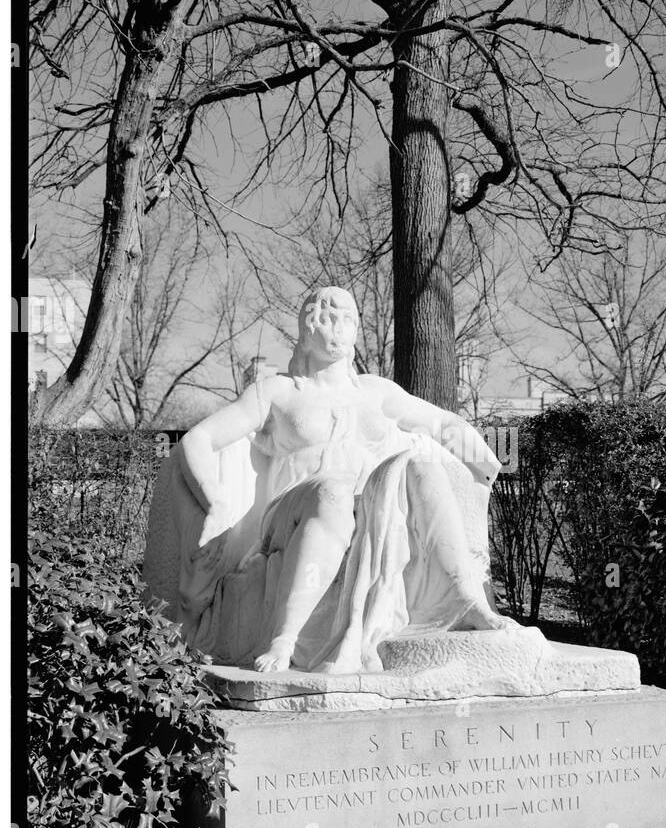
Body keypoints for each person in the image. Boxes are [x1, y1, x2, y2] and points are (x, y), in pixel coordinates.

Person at [169, 286, 508, 673]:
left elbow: (442, 422)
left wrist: (483, 457)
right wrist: (213, 501)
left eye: (348, 319)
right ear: (307, 327)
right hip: (294, 510)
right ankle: (285, 639)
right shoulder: (278, 392)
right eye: (329, 319)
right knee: (331, 489)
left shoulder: (375, 391)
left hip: (365, 503)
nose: (340, 329)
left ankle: (466, 599)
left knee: (421, 465)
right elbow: (198, 439)